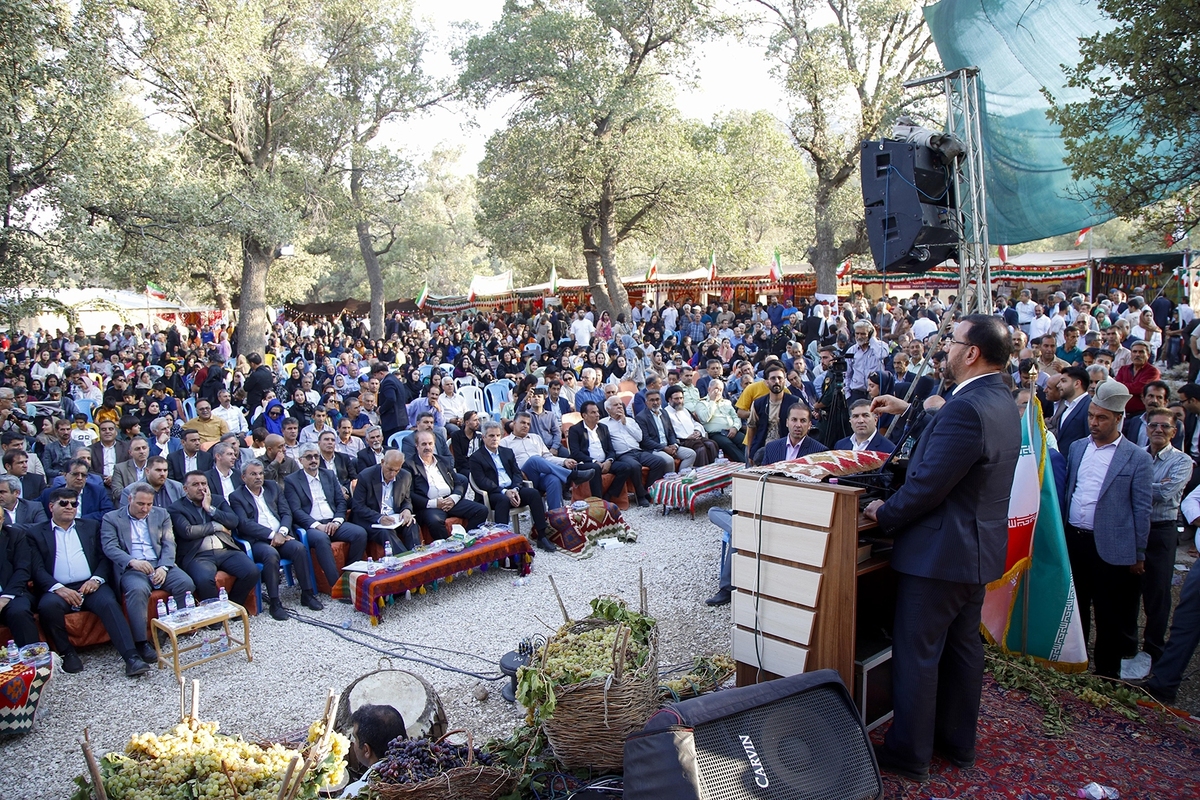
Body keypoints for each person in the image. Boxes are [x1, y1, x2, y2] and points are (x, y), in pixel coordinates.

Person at [862, 314, 1021, 781]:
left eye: (952, 341)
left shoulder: (967, 408)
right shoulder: (999, 399)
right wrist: (912, 409)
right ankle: (956, 742)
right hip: (975, 550)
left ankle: (909, 752)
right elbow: (951, 439)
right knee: (962, 650)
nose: (945, 348)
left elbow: (929, 483)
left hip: (940, 554)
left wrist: (884, 513)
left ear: (972, 353)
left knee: (919, 652)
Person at [1061, 380, 1152, 679]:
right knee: (1076, 609)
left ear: (1118, 419)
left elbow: (1142, 508)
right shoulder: (1077, 448)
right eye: (1091, 416)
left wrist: (1139, 552)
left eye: (1101, 418)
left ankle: (1106, 675)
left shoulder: (1136, 457)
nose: (1094, 423)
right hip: (1075, 540)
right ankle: (1075, 665)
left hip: (1112, 547)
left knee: (1109, 613)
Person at [29, 487, 152, 676]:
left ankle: (131, 657)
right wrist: (59, 588)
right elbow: (36, 569)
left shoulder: (90, 526)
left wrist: (96, 579)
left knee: (109, 603)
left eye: (74, 504)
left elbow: (104, 558)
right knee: (47, 607)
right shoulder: (36, 533)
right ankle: (67, 653)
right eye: (64, 503)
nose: (69, 507)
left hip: (91, 584)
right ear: (51, 506)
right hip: (57, 589)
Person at [100, 482, 197, 661]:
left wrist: (164, 567)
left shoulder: (162, 514)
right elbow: (110, 547)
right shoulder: (111, 518)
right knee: (137, 590)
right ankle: (141, 642)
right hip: (132, 566)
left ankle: (168, 629)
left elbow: (169, 543)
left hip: (159, 562)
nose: (145, 509)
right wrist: (132, 562)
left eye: (149, 504)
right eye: (140, 504)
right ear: (130, 499)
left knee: (185, 583)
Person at [1133, 408, 1191, 674]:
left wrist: (1137, 485)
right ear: (1146, 429)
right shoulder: (1137, 455)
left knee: (1157, 594)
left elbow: (1166, 493)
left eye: (1164, 426)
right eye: (1153, 425)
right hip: (1136, 528)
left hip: (1161, 530)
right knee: (1130, 591)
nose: (1158, 430)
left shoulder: (1182, 461)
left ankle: (1154, 650)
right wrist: (1150, 486)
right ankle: (1129, 648)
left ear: (1173, 432)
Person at [231, 459, 323, 617]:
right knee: (270, 554)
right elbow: (245, 524)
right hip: (258, 541)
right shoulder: (236, 496)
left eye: (261, 473)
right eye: (253, 474)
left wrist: (282, 532)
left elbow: (286, 512)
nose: (258, 477)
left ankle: (307, 594)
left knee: (299, 548)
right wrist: (273, 535)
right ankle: (275, 602)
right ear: (243, 477)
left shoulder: (272, 487)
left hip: (282, 535)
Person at [168, 471, 260, 608]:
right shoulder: (176, 508)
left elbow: (233, 521)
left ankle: (233, 606)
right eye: (195, 484)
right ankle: (216, 613)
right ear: (185, 489)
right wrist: (216, 526)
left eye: (203, 484)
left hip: (225, 550)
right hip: (197, 555)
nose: (201, 488)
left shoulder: (218, 500)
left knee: (251, 571)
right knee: (204, 580)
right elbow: (188, 531)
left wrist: (210, 508)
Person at [469, 420, 557, 552]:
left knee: (533, 493)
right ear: (483, 437)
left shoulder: (507, 452)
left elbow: (517, 473)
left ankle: (542, 536)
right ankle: (503, 541)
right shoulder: (476, 457)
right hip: (494, 493)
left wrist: (515, 488)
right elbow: (482, 481)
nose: (495, 439)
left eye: (497, 435)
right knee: (503, 499)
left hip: (512, 489)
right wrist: (505, 491)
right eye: (491, 436)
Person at [286, 444, 370, 582]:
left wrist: (336, 521)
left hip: (333, 521)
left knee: (359, 533)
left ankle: (349, 575)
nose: (313, 460)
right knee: (321, 539)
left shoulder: (328, 474)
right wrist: (318, 526)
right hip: (312, 526)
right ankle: (335, 584)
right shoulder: (292, 480)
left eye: (316, 456)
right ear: (301, 460)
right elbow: (296, 510)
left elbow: (341, 502)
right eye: (309, 457)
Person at [501, 412, 593, 511]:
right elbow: (505, 466)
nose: (526, 426)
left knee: (554, 480)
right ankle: (572, 475)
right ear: (514, 423)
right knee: (534, 460)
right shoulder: (504, 443)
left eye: (528, 424)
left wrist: (564, 461)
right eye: (523, 423)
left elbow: (548, 457)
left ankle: (555, 515)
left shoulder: (535, 438)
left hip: (540, 475)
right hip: (522, 476)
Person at [406, 430, 488, 537]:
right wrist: (434, 503)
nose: (427, 447)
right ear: (417, 446)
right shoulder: (409, 465)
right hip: (430, 505)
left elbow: (458, 483)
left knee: (481, 510)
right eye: (424, 444)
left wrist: (453, 498)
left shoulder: (443, 461)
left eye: (430, 443)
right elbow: (410, 493)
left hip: (449, 500)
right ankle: (447, 546)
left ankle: (467, 539)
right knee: (435, 521)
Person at [602, 396, 667, 505]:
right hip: (622, 454)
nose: (619, 406)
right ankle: (640, 495)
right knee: (634, 466)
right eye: (615, 405)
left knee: (659, 462)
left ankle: (648, 490)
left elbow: (639, 438)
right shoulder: (603, 424)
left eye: (620, 404)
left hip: (638, 451)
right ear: (608, 409)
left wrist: (625, 423)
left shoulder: (630, 420)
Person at [342, 705, 408, 797]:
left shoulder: (355, 793)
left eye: (355, 738)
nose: (353, 743)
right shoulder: (420, 773)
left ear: (366, 750)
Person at [636, 387, 697, 470]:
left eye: (657, 399)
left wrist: (674, 445)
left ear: (661, 401)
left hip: (668, 446)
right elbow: (646, 441)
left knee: (691, 454)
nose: (655, 402)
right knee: (669, 460)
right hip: (655, 449)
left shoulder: (664, 413)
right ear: (646, 402)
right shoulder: (641, 417)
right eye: (652, 400)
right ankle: (671, 477)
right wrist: (664, 448)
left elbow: (671, 432)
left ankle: (682, 475)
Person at [0, 518, 39, 646]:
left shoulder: (15, 535)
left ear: (2, 520)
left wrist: (4, 599)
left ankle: (32, 654)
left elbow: (23, 569)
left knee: (19, 612)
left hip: (12, 592)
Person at [748, 365, 799, 463]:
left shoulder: (795, 402)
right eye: (773, 378)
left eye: (780, 378)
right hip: (763, 451)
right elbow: (752, 428)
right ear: (766, 382)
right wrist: (750, 452)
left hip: (788, 451)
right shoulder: (758, 403)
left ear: (784, 381)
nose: (777, 381)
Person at [662, 386, 719, 466]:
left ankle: (715, 469)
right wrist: (687, 437)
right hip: (682, 441)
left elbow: (695, 423)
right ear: (669, 399)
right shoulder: (665, 413)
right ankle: (701, 472)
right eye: (676, 399)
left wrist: (697, 431)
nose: (679, 401)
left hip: (695, 437)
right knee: (700, 449)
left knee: (711, 444)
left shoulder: (685, 410)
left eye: (681, 398)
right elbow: (669, 432)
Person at [375, 363, 410, 440]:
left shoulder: (388, 381)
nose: (375, 378)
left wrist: (381, 410)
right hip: (400, 419)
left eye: (375, 375)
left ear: (381, 373)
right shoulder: (395, 379)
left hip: (393, 421)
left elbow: (391, 399)